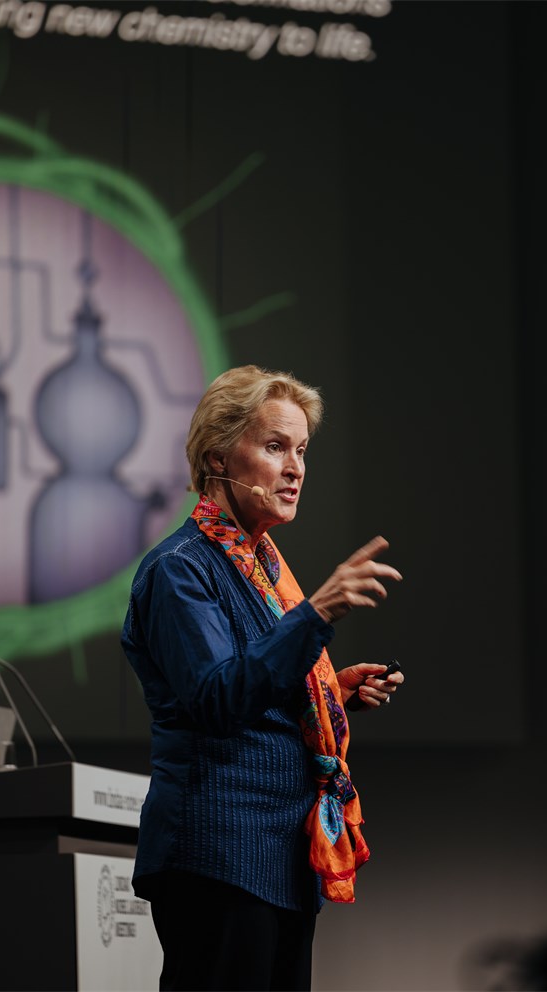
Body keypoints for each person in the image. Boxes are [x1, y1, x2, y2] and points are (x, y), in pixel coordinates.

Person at [121, 365, 404, 992]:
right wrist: (319, 612)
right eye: (275, 447)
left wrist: (334, 694)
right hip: (218, 850)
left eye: (302, 450)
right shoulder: (180, 569)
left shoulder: (259, 566)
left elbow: (258, 681)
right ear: (218, 456)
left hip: (279, 853)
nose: (297, 467)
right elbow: (218, 699)